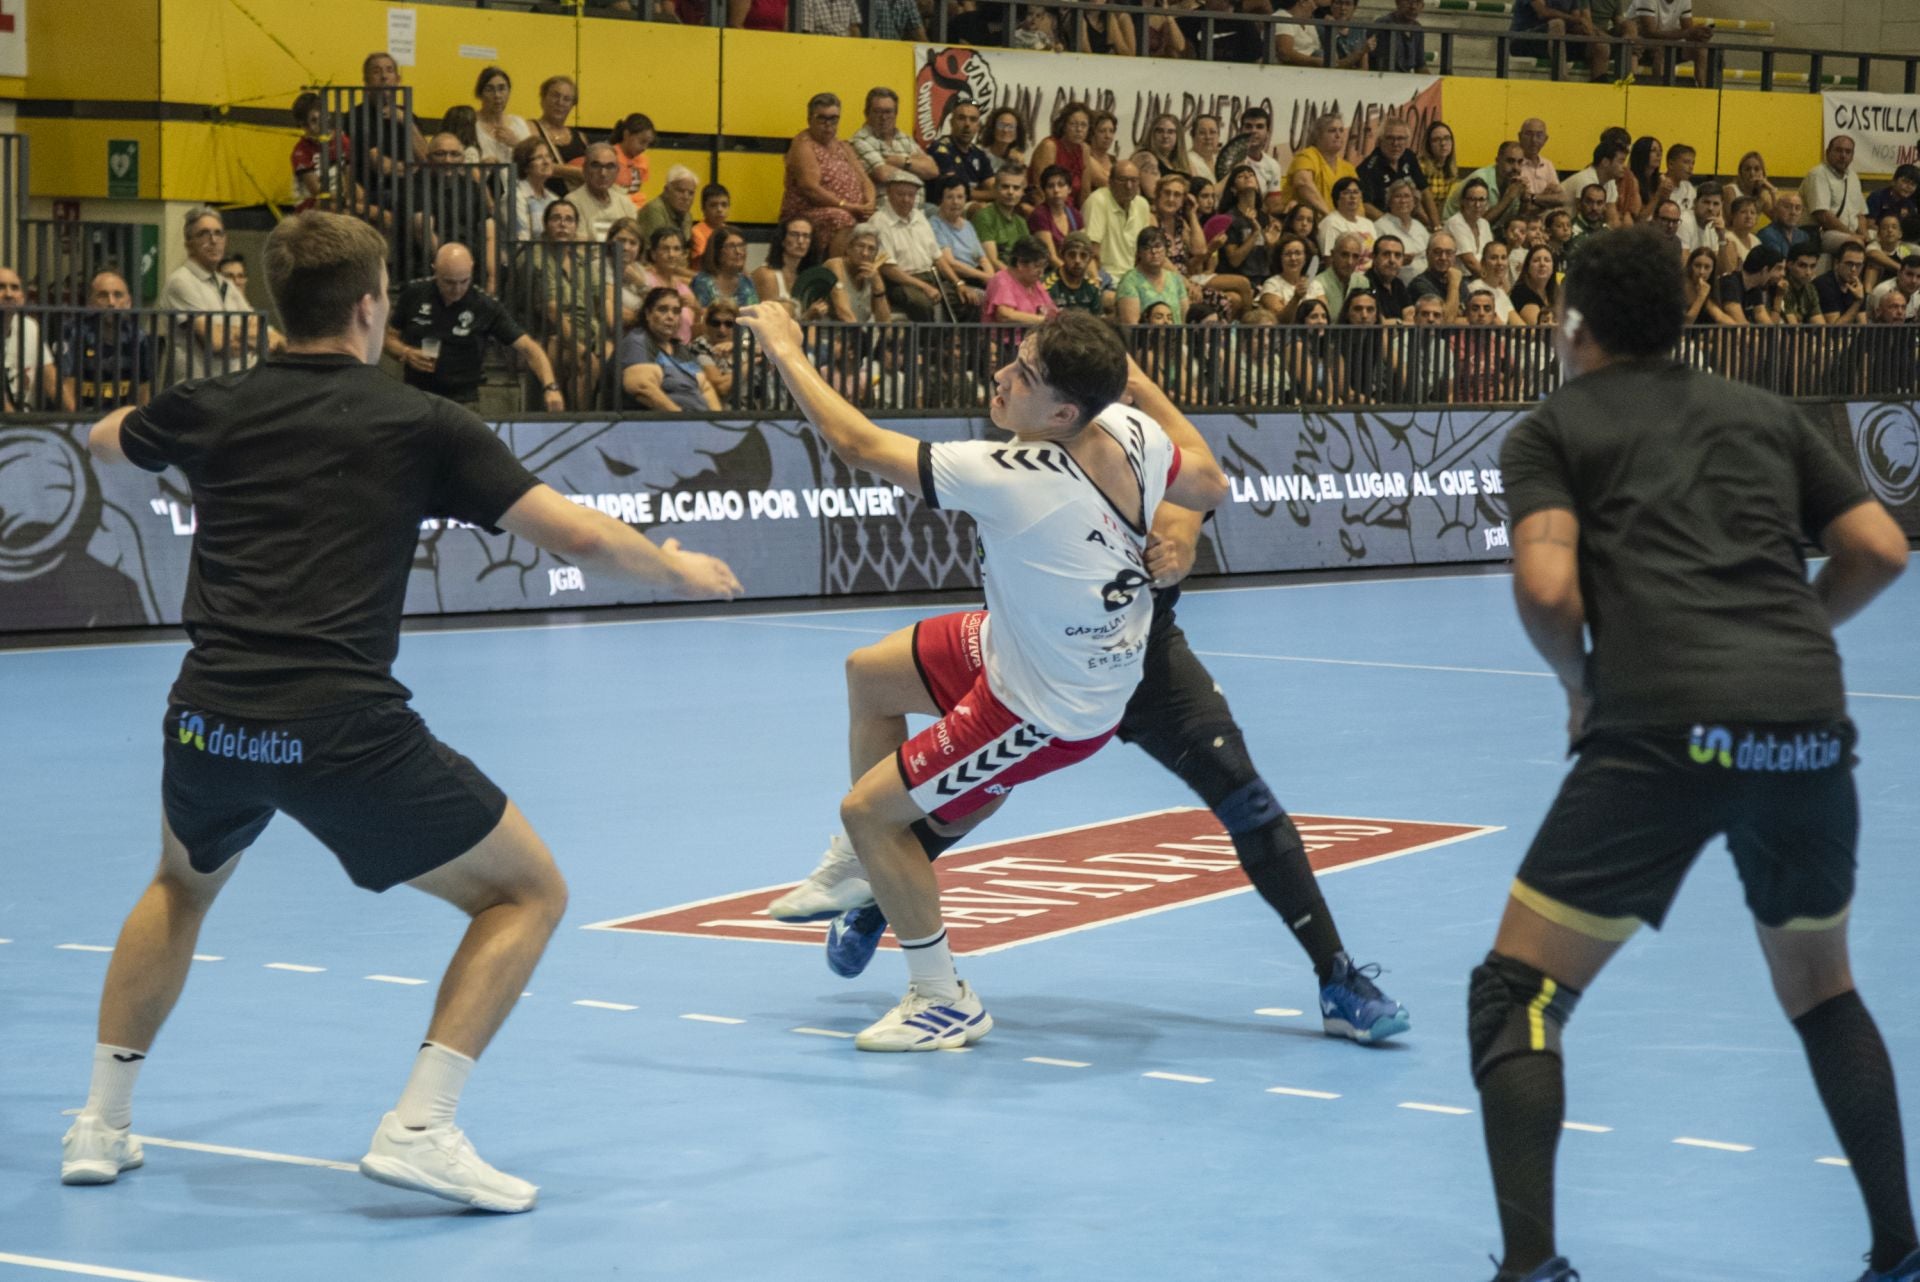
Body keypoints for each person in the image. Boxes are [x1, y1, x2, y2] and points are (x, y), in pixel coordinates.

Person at [61, 210, 741, 1212]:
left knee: (180, 882)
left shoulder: (211, 404)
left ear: (271, 304)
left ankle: (100, 1124)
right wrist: (678, 565)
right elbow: (577, 539)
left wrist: (169, 437)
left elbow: (105, 439)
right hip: (342, 728)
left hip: (209, 716)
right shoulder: (419, 422)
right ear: (373, 309)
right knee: (527, 892)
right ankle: (421, 1124)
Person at [1476, 222, 1914, 1282]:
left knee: (1519, 996)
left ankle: (1531, 1267)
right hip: (1806, 728)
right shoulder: (1767, 413)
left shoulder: (1553, 429)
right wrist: (1794, 635)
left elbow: (1545, 588)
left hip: (1662, 729)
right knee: (1824, 989)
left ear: (1571, 321)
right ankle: (1901, 1251)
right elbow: (1879, 547)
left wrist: (1585, 684)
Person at [386, 244, 566, 411]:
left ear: (471, 270)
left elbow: (530, 348)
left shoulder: (484, 305)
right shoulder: (414, 294)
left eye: (463, 281)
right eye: (448, 282)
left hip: (463, 401)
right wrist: (406, 352)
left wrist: (550, 386)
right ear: (435, 271)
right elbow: (388, 338)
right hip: (416, 396)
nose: (457, 289)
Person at [160, 207, 275, 380]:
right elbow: (216, 342)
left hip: (231, 387)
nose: (213, 240)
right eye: (204, 234)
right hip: (196, 391)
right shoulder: (181, 282)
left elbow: (266, 335)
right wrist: (246, 337)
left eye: (218, 233)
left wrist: (228, 332)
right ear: (188, 243)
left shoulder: (226, 284)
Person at [781, 94, 875, 259]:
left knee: (882, 220)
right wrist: (847, 206)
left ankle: (867, 277)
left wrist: (870, 203)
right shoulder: (803, 145)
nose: (828, 125)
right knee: (841, 218)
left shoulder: (842, 146)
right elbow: (810, 189)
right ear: (809, 119)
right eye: (822, 118)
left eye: (833, 119)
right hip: (808, 213)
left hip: (853, 210)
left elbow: (865, 180)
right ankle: (837, 274)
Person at [61, 271, 155, 413]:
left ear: (128, 302)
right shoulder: (75, 333)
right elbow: (66, 389)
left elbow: (143, 391)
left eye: (118, 295)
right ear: (90, 303)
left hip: (121, 420)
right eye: (102, 296)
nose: (111, 303)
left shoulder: (138, 337)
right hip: (81, 419)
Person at [620, 286, 723, 412]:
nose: (670, 316)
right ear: (648, 314)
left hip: (700, 422)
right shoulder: (638, 340)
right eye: (663, 310)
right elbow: (642, 387)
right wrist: (681, 418)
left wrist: (718, 423)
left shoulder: (681, 349)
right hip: (667, 424)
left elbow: (706, 388)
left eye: (676, 311)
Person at [872, 171, 947, 322]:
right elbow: (889, 269)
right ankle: (929, 345)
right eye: (900, 194)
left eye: (911, 195)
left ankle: (956, 342)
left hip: (931, 276)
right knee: (922, 303)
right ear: (888, 193)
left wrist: (959, 283)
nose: (906, 200)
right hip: (901, 282)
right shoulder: (879, 222)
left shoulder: (919, 217)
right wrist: (924, 287)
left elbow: (937, 257)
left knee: (969, 298)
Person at [850, 88, 939, 190]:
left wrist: (903, 162)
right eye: (877, 111)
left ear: (896, 114)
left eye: (888, 112)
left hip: (918, 205)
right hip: (884, 204)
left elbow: (933, 171)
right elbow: (882, 174)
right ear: (866, 113)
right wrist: (916, 168)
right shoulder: (860, 140)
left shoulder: (904, 138)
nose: (883, 117)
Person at [1357, 115, 1436, 227]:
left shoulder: (1409, 156)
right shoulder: (1368, 168)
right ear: (1380, 141)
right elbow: (1365, 205)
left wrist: (1436, 225)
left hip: (1409, 221)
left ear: (1407, 140)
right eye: (1390, 138)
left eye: (1400, 138)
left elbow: (1424, 190)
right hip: (1381, 226)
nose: (1396, 143)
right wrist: (1393, 227)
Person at [1801, 135, 1872, 256]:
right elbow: (1823, 215)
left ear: (1852, 156)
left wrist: (1866, 236)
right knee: (1855, 243)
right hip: (1824, 232)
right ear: (1828, 152)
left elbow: (1860, 215)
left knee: (1880, 244)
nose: (1843, 155)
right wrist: (1852, 235)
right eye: (1838, 150)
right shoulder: (1818, 174)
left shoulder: (1853, 177)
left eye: (1848, 152)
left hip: (1850, 232)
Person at [1084, 161, 1155, 279]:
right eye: (1122, 180)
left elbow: (1145, 251)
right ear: (1110, 182)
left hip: (1134, 278)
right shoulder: (1097, 201)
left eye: (1134, 180)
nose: (1129, 186)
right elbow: (1091, 251)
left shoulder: (1142, 204)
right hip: (1106, 277)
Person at [0, 265, 56, 411]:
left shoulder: (29, 327)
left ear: (23, 298)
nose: (8, 294)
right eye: (1, 287)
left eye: (15, 288)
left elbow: (51, 381)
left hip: (24, 421)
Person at [289, 92, 350, 215]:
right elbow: (317, 191)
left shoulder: (342, 140)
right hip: (311, 203)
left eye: (319, 118)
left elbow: (350, 176)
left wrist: (352, 198)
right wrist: (344, 200)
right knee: (330, 206)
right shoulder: (300, 151)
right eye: (311, 121)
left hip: (341, 196)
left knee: (370, 207)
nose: (318, 125)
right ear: (302, 125)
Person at [1623, 0, 1711, 85]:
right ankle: (1659, 92)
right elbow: (1650, 32)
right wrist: (1688, 33)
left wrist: (1700, 33)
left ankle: (1706, 92)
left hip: (1666, 43)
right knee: (1662, 51)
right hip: (1641, 45)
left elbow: (1688, 31)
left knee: (1701, 50)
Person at [1286, 112, 1356, 218]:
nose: (1338, 135)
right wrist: (1330, 217)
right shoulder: (1307, 156)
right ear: (1318, 136)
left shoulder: (1348, 168)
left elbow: (1358, 202)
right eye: (1332, 130)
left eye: (1341, 130)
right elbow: (1303, 182)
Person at [530, 76, 588, 197]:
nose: (560, 102)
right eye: (555, 96)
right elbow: (532, 165)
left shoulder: (580, 136)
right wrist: (575, 172)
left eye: (567, 99)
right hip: (540, 201)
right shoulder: (530, 128)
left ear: (572, 105)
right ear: (543, 98)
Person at [931, 99, 997, 202]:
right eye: (961, 118)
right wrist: (993, 194)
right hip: (946, 206)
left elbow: (992, 187)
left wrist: (997, 193)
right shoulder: (940, 149)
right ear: (951, 123)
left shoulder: (979, 154)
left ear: (978, 126)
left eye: (973, 119)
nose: (967, 124)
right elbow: (957, 191)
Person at [982, 237, 1059, 325]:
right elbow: (1005, 315)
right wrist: (1043, 320)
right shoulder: (1002, 280)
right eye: (1037, 266)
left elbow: (1051, 311)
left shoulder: (1034, 283)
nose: (1041, 272)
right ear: (1021, 263)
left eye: (1044, 266)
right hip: (1005, 338)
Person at [1028, 102, 1093, 205]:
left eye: (1083, 125)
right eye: (1073, 124)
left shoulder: (1084, 149)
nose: (1079, 129)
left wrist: (1081, 219)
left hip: (1071, 212)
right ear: (1063, 126)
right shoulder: (1050, 146)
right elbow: (1040, 191)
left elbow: (1085, 193)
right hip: (1045, 209)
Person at [753, 217, 823, 313]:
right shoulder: (767, 275)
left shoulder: (808, 275)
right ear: (782, 239)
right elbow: (771, 319)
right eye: (794, 235)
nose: (800, 241)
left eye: (806, 236)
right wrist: (806, 317)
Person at [566, 143, 630, 244]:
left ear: (617, 171)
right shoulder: (572, 203)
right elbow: (580, 249)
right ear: (585, 169)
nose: (603, 173)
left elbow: (634, 243)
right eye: (596, 166)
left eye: (610, 166)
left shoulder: (626, 203)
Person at [1026, 165, 1084, 269]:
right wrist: (1075, 275)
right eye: (1050, 186)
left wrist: (1093, 277)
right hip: (1049, 271)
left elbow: (1084, 250)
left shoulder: (1075, 215)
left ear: (1069, 189)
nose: (1056, 190)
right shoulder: (1040, 215)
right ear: (1044, 190)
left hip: (1074, 270)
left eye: (1061, 185)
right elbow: (1051, 258)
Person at [971, 167, 1031, 266]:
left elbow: (1029, 257)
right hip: (997, 277)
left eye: (1016, 188)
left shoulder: (1021, 222)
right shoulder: (984, 216)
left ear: (1022, 192)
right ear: (995, 188)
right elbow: (992, 262)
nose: (1010, 192)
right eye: (1005, 187)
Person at [472, 67, 531, 168]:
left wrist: (517, 144)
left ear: (509, 92)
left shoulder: (519, 123)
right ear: (480, 94)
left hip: (516, 182)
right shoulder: (471, 124)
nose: (497, 95)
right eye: (489, 89)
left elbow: (534, 161)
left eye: (502, 88)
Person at [1045, 231, 1111, 315]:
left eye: (1083, 255)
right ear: (1062, 255)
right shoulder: (1047, 286)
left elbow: (1098, 321)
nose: (1077, 260)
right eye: (1072, 255)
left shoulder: (1092, 288)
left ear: (1090, 259)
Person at [634, 166, 698, 246]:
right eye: (680, 191)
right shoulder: (654, 210)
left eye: (691, 193)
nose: (686, 197)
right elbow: (655, 249)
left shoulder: (687, 215)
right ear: (666, 190)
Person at [510, 138, 556, 246]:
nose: (546, 162)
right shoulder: (515, 197)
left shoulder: (554, 199)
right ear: (525, 166)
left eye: (548, 156)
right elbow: (521, 243)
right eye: (539, 157)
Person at [609, 113, 656, 210]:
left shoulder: (643, 160)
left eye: (648, 144)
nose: (644, 148)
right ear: (626, 135)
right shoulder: (610, 156)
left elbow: (637, 190)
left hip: (638, 207)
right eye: (641, 142)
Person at [1815, 241, 1869, 326]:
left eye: (1858, 265)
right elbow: (1835, 330)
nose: (1854, 269)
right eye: (1849, 264)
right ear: (1837, 263)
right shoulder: (1824, 284)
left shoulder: (1858, 286)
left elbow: (1863, 327)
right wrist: (1858, 302)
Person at [1420, 120, 1462, 222]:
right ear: (1428, 145)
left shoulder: (1451, 169)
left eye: (1447, 138)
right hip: (1420, 219)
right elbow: (1416, 205)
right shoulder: (1421, 167)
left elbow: (1444, 203)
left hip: (1439, 219)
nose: (1443, 143)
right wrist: (1434, 224)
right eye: (1436, 140)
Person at [1757, 190, 1814, 262]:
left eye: (1798, 208)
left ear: (1802, 213)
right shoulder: (1766, 234)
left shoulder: (1803, 236)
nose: (1793, 212)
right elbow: (1777, 263)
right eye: (1787, 207)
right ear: (1776, 209)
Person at [1509, 243, 1558, 324]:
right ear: (1528, 268)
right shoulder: (1521, 292)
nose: (1542, 264)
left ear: (1553, 268)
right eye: (1536, 260)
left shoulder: (1555, 292)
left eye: (1547, 260)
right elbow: (1538, 327)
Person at [689, 182, 731, 261]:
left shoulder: (730, 232)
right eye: (713, 205)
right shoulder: (697, 232)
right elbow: (706, 261)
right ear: (703, 209)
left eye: (724, 205)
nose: (719, 209)